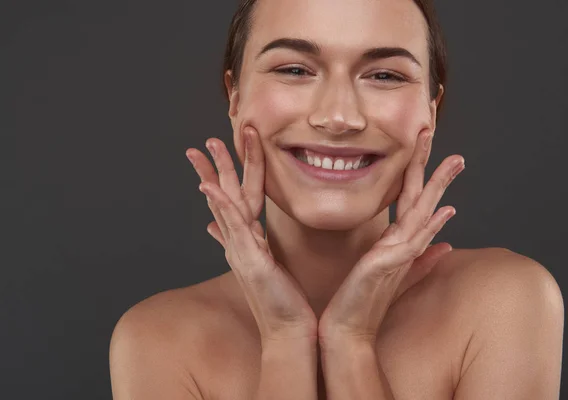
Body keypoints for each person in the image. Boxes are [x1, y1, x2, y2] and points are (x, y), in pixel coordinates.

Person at [109, 0, 564, 398]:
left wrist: (352, 342)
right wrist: (286, 341)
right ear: (235, 97)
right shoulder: (157, 340)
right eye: (294, 70)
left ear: (431, 109)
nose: (338, 117)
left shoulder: (505, 303)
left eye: (384, 75)